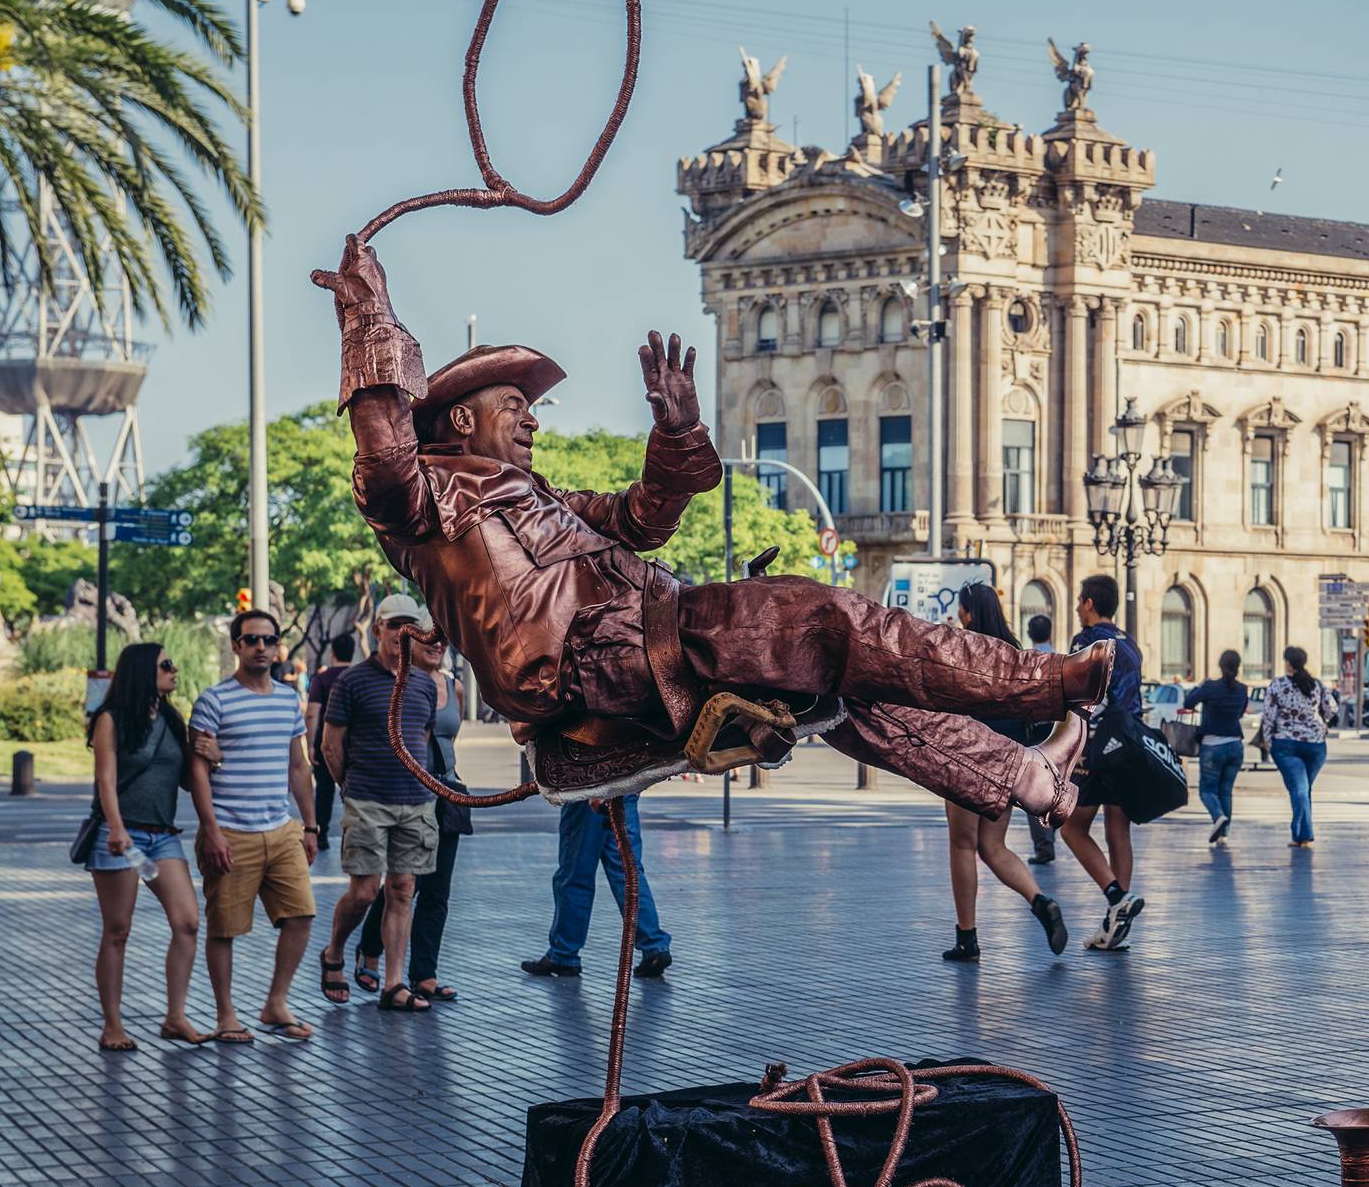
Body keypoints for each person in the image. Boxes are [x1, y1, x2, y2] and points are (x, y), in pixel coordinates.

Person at [314, 237, 1105, 833]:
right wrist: (370, 318)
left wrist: (679, 430)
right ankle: (1045, 681)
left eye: (529, 405)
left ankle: (1031, 778)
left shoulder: (543, 495)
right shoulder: (424, 503)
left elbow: (641, 519)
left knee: (846, 681)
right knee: (823, 619)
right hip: (585, 660)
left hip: (647, 629)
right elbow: (384, 454)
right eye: (512, 405)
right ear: (461, 419)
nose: (528, 418)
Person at [186, 610, 320, 1042]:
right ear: (236, 646)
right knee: (225, 928)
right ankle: (226, 1015)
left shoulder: (287, 699)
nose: (261, 647)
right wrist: (212, 831)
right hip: (230, 829)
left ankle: (275, 1003)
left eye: (269, 639)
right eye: (252, 640)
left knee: (301, 915)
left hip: (281, 829)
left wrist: (311, 826)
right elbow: (198, 772)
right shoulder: (214, 700)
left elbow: (297, 766)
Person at [86, 642, 210, 1051]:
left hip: (162, 837)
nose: (175, 671)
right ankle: (113, 1025)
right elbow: (105, 779)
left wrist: (214, 759)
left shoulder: (174, 720)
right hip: (120, 835)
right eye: (166, 665)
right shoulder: (111, 719)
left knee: (188, 922)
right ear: (144, 671)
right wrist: (117, 828)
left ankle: (175, 1017)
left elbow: (189, 781)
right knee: (118, 930)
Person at [318, 596, 439, 1014]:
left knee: (403, 890)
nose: (403, 635)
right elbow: (330, 746)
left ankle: (394, 983)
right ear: (378, 631)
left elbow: (421, 740)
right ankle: (334, 950)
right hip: (367, 799)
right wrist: (348, 788)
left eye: (412, 628)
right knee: (366, 892)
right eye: (395, 626)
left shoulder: (424, 683)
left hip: (415, 803)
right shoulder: (351, 682)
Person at [939, 584, 1068, 962]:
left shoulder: (964, 652)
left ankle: (967, 938)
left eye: (962, 611)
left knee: (963, 845)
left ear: (968, 613)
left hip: (967, 757)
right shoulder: (1015, 653)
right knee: (993, 847)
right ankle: (1041, 902)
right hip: (1008, 762)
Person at [357, 629, 466, 1002]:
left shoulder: (454, 687)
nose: (437, 644)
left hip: (447, 793)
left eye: (443, 639)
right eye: (428, 638)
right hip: (407, 794)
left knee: (437, 891)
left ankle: (425, 975)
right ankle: (370, 949)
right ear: (409, 642)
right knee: (402, 885)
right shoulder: (396, 685)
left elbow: (450, 738)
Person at [1060, 575, 1144, 951]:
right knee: (1118, 830)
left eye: (1080, 601)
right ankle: (1116, 924)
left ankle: (1116, 898)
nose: (1078, 608)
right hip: (1130, 746)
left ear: (1090, 603)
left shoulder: (1087, 641)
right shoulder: (1130, 644)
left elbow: (1076, 694)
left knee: (1072, 829)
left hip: (1097, 747)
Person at [522, 794, 673, 978]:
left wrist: (598, 792)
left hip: (591, 793)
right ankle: (654, 947)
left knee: (575, 875)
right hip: (625, 791)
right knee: (627, 873)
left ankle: (563, 955)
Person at [1262, 645, 1335, 848]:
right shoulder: (1316, 685)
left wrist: (1269, 743)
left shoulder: (1278, 686)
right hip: (1316, 745)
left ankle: (1303, 835)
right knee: (1303, 788)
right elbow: (1331, 710)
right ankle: (1301, 833)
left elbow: (1268, 717)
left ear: (1288, 663)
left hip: (1286, 744)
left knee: (1299, 789)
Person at [1183, 649, 1249, 844]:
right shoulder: (1242, 689)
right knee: (1226, 790)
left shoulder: (1211, 687)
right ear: (1238, 667)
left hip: (1213, 745)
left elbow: (1188, 703)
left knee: (1207, 790)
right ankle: (1224, 834)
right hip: (1236, 745)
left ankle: (1217, 816)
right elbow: (1239, 713)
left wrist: (1200, 686)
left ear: (1221, 666)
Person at [305, 632, 357, 856]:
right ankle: (353, 834)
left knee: (324, 790)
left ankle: (322, 834)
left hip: (325, 742)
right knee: (354, 791)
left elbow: (312, 714)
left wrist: (310, 744)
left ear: (332, 652)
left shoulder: (321, 679)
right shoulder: (358, 675)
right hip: (354, 744)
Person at [1024, 611, 1058, 866]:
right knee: (1059, 782)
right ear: (1050, 633)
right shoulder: (1063, 659)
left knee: (1035, 790)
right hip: (1059, 730)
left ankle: (1044, 844)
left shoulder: (1027, 660)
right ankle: (1054, 825)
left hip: (1035, 732)